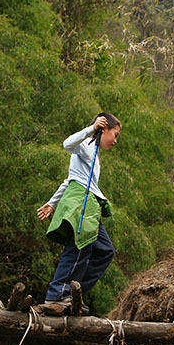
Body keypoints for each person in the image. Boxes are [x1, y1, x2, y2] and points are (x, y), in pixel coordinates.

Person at [37, 113, 121, 310]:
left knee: (105, 251)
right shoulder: (87, 145)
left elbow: (70, 180)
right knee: (78, 247)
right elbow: (67, 144)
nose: (115, 141)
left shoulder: (95, 156)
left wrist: (52, 203)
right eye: (114, 134)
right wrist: (90, 130)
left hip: (90, 206)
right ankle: (57, 295)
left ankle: (75, 293)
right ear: (103, 129)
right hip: (79, 204)